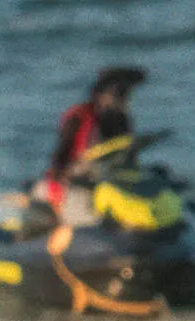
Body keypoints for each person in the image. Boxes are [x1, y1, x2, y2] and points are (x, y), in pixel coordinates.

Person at [39, 65, 142, 215]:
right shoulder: (78, 116)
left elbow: (127, 155)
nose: (123, 100)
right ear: (100, 94)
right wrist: (61, 176)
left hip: (112, 176)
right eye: (118, 94)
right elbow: (61, 154)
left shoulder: (121, 119)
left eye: (125, 95)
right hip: (78, 176)